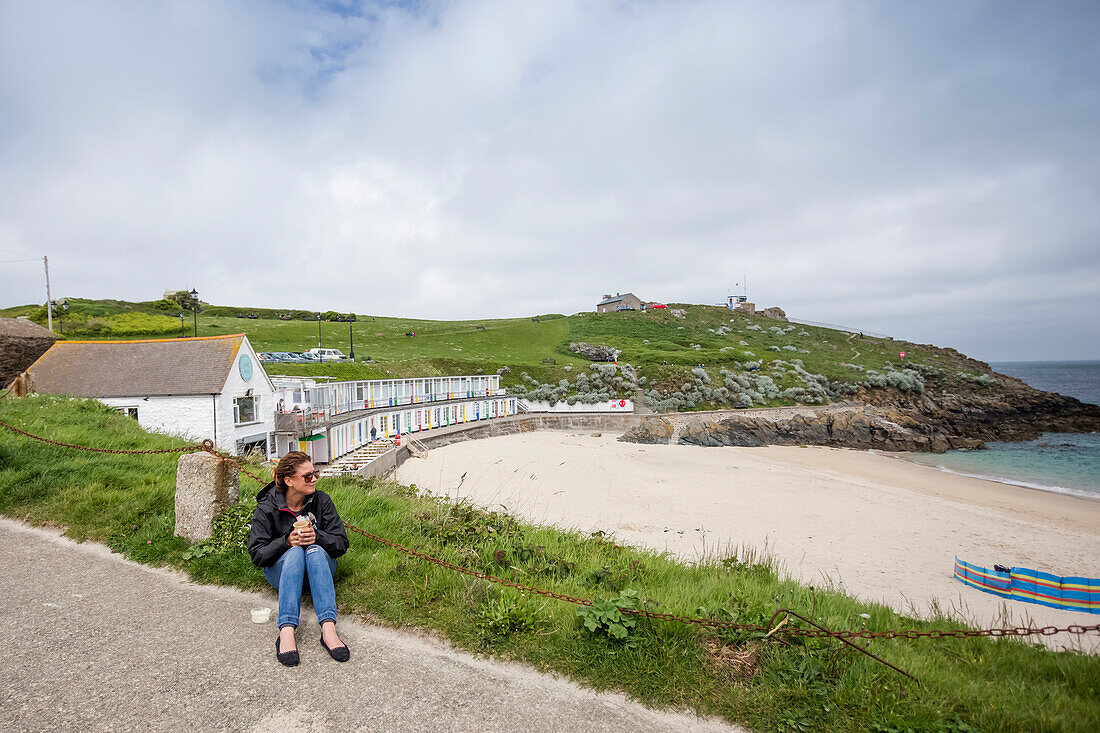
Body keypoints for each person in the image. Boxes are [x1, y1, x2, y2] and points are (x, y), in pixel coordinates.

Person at [249, 451, 350, 666]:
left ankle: (328, 630)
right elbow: (257, 554)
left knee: (313, 550)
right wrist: (285, 542)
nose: (314, 479)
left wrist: (318, 537)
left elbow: (342, 543)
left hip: (319, 569)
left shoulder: (321, 500)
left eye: (315, 473)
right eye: (307, 476)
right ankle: (286, 631)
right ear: (289, 481)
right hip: (282, 573)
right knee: (295, 552)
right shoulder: (267, 506)